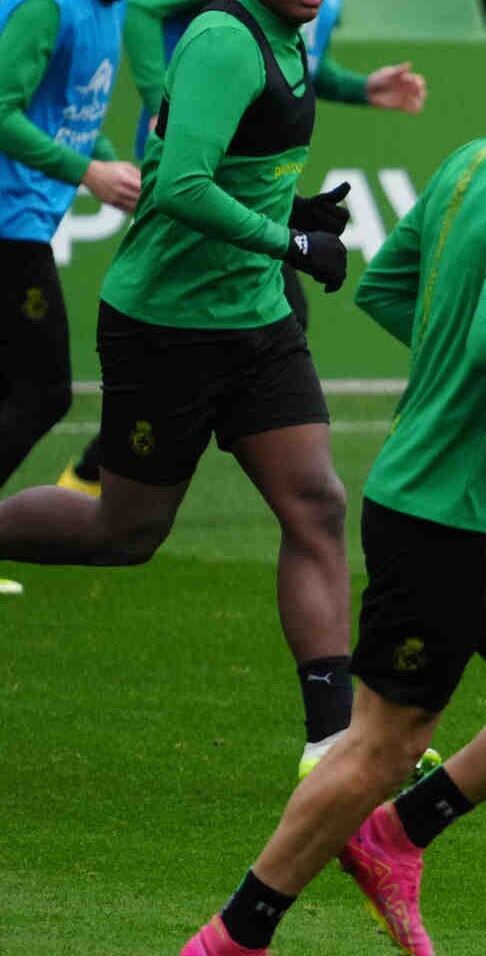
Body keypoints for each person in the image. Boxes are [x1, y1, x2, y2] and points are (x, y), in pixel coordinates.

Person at [180, 3, 486, 953]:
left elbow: (385, 289)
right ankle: (232, 938)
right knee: (379, 746)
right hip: (441, 515)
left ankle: (397, 837)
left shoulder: (472, 160)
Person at [0, 0, 362, 777]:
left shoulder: (290, 41)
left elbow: (203, 168)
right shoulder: (225, 39)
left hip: (257, 321)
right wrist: (293, 240)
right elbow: (183, 188)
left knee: (317, 504)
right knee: (124, 533)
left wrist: (286, 209)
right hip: (167, 327)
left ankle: (334, 740)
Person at [54, 0, 427, 496]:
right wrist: (157, 99)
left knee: (317, 505)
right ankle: (103, 465)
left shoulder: (312, 12)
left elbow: (301, 71)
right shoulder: (223, 36)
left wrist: (361, 89)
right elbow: (143, 11)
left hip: (233, 211)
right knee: (116, 511)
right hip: (192, 178)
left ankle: (110, 460)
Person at [0, 0, 138, 595]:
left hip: (23, 221)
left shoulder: (113, 11)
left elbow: (65, 111)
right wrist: (87, 174)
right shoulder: (46, 8)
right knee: (42, 389)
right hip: (8, 224)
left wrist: (110, 165)